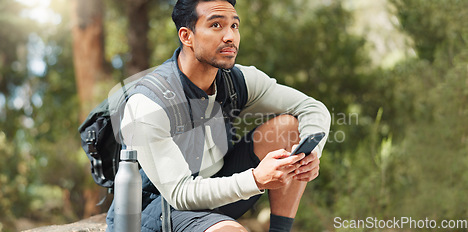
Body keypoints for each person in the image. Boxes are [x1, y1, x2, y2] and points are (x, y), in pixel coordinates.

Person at [106, 0, 331, 231]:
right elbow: (180, 193)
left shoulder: (235, 80)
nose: (230, 37)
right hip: (162, 209)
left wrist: (312, 153)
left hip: (220, 186)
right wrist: (255, 179)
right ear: (187, 36)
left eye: (234, 26)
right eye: (216, 25)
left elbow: (312, 108)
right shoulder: (148, 105)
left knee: (288, 127)